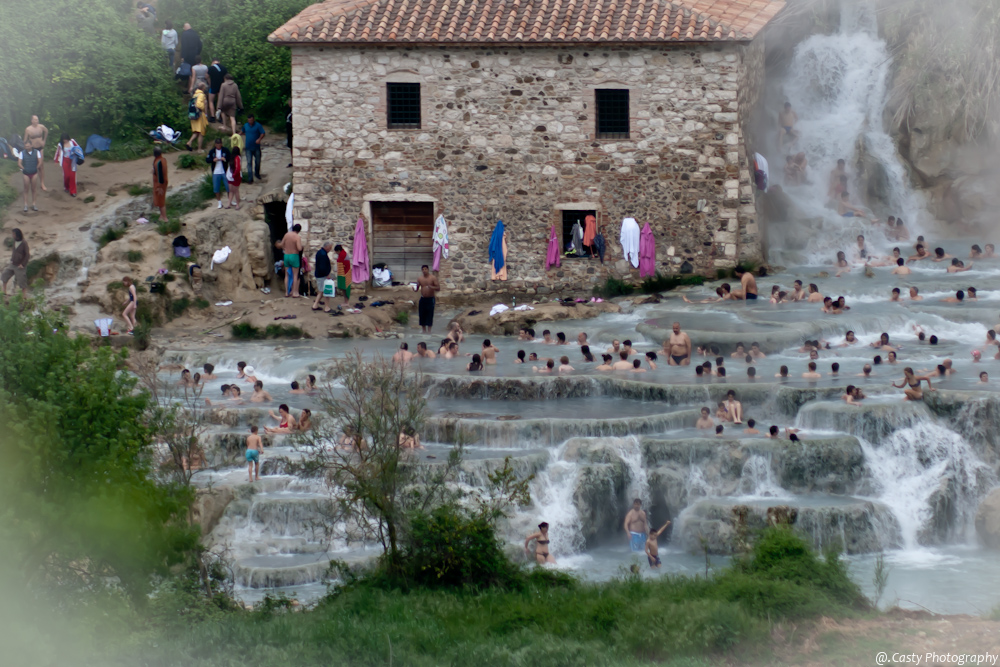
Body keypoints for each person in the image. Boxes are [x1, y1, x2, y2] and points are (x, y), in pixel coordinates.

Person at [1, 228, 29, 301]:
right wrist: (11, 260)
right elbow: (14, 251)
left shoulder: (24, 243)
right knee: (5, 274)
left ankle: (24, 296)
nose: (12, 235)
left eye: (14, 234)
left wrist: (23, 264)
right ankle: (4, 291)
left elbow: (27, 255)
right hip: (13, 264)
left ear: (18, 235)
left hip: (20, 265)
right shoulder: (14, 241)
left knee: (22, 280)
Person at [23, 115, 48, 192]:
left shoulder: (41, 127)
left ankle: (42, 183)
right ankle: (32, 182)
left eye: (37, 119)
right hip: (32, 149)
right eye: (35, 120)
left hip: (40, 148)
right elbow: (25, 140)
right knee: (32, 165)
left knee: (41, 166)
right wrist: (26, 149)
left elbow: (46, 131)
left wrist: (44, 140)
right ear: (32, 121)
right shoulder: (28, 129)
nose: (37, 121)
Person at [204, 138, 231, 208]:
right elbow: (207, 160)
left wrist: (225, 159)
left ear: (221, 144)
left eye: (219, 144)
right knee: (216, 188)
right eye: (217, 144)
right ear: (215, 144)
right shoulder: (212, 151)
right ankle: (219, 202)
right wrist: (213, 160)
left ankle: (230, 200)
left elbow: (230, 158)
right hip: (216, 172)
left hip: (224, 171)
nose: (218, 145)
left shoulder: (225, 150)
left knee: (228, 187)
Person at [54, 133, 81, 197]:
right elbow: (58, 152)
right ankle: (66, 187)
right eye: (64, 139)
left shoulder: (72, 142)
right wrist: (56, 160)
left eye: (66, 139)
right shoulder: (60, 144)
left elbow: (78, 148)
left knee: (72, 176)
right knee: (67, 176)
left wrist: (80, 156)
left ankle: (73, 191)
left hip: (73, 161)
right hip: (65, 161)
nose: (65, 140)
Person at [185, 82, 209, 151]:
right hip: (199, 116)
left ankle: (189, 142)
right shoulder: (201, 95)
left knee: (196, 132)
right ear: (203, 88)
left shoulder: (195, 94)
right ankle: (199, 149)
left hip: (194, 116)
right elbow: (198, 105)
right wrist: (204, 105)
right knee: (201, 132)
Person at [242, 114, 265, 183]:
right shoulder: (245, 125)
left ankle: (257, 173)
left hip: (256, 147)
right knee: (249, 162)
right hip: (248, 147)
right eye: (249, 120)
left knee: (257, 161)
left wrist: (259, 139)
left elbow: (263, 133)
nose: (250, 121)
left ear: (253, 119)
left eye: (251, 120)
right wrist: (237, 135)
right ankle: (250, 178)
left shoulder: (258, 125)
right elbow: (242, 131)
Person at [18, 144, 41, 212]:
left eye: (28, 146)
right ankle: (25, 205)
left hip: (34, 173)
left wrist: (36, 167)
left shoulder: (37, 152)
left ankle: (34, 204)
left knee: (34, 189)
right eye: (25, 146)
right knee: (26, 189)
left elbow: (40, 161)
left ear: (31, 145)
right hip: (26, 173)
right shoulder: (22, 153)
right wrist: (23, 168)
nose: (26, 147)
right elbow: (19, 163)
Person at [282, 224, 304, 297]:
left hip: (286, 255)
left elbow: (282, 244)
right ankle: (294, 292)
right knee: (295, 275)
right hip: (294, 255)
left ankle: (286, 292)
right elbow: (299, 248)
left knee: (287, 275)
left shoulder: (286, 235)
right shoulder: (297, 237)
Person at [417, 264, 440, 333]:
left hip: (430, 298)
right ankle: (424, 330)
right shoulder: (420, 278)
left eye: (425, 269)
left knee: (430, 314)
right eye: (423, 269)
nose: (424, 271)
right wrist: (414, 289)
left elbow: (438, 288)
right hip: (423, 298)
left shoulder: (433, 278)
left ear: (428, 270)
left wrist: (431, 287)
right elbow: (417, 288)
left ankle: (429, 330)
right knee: (422, 314)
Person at [312, 242, 333, 312]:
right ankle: (326, 307)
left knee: (321, 291)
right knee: (325, 291)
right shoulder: (323, 254)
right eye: (329, 248)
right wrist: (327, 274)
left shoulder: (320, 252)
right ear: (326, 247)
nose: (330, 249)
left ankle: (315, 305)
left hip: (319, 274)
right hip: (322, 276)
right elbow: (322, 267)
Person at [149, 147, 169, 220]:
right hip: (161, 182)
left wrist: (160, 187)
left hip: (160, 183)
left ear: (154, 154)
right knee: (159, 199)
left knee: (161, 201)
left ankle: (164, 217)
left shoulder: (158, 162)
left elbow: (161, 176)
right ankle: (161, 216)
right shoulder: (162, 160)